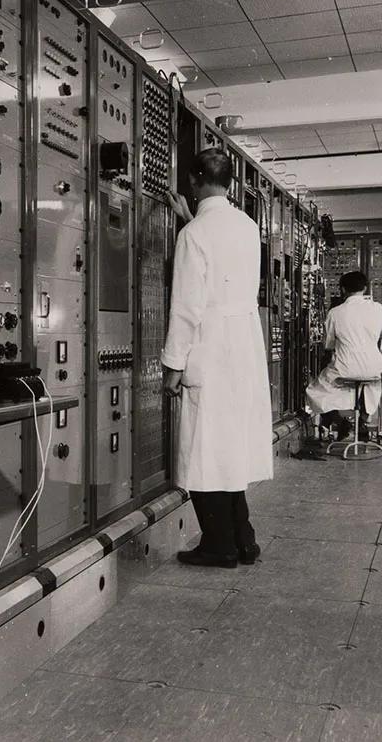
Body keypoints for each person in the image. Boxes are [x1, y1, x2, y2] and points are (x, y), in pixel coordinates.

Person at [162, 149, 273, 569]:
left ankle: (218, 546)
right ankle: (244, 540)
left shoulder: (194, 235)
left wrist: (173, 365)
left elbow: (187, 307)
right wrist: (190, 219)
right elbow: (222, 266)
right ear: (228, 182)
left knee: (204, 451)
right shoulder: (246, 226)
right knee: (229, 450)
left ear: (194, 180)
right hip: (242, 346)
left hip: (209, 348)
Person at [306, 270, 382, 440]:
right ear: (365, 288)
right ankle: (362, 423)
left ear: (342, 290)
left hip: (345, 367)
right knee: (366, 390)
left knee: (314, 391)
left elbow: (328, 344)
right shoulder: (377, 308)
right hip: (373, 368)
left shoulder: (335, 312)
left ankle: (342, 421)